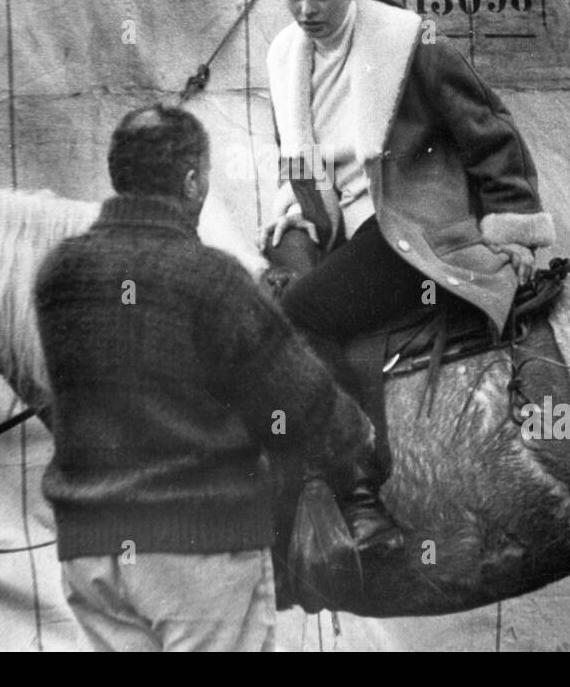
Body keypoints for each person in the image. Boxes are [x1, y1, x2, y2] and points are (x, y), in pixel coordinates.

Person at [261, 0, 555, 550]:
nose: (308, 9)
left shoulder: (409, 44)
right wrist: (292, 232)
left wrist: (511, 226)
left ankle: (361, 492)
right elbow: (298, 169)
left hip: (411, 226)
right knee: (261, 306)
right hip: (333, 227)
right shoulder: (285, 58)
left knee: (304, 314)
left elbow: (489, 129)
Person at [34, 104, 374, 652]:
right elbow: (298, 403)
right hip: (198, 550)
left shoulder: (58, 273)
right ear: (192, 181)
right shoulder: (211, 279)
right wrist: (357, 439)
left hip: (90, 554)